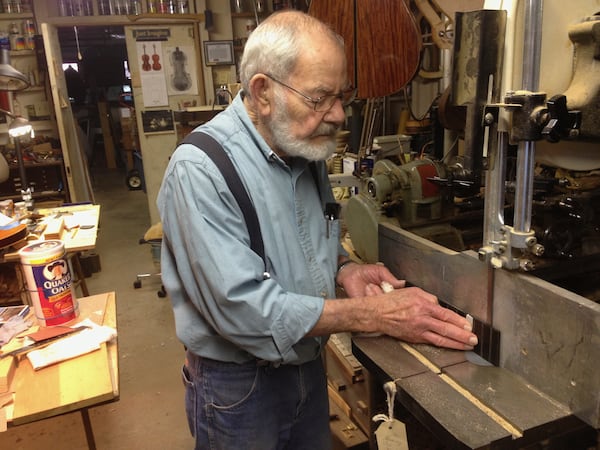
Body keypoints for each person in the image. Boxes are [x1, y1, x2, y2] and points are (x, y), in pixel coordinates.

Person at [157, 10, 477, 450]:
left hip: (307, 364)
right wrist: (374, 314)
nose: (339, 115)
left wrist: (344, 270)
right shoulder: (200, 170)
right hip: (240, 389)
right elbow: (243, 310)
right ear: (262, 91)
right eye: (320, 97)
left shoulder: (302, 149)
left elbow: (306, 240)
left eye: (342, 96)